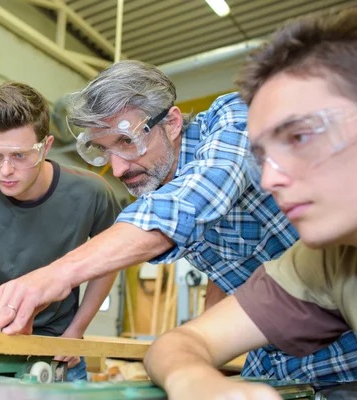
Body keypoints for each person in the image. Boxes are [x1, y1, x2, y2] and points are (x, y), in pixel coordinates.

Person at [0, 59, 357, 384]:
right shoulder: (155, 181)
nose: (118, 168)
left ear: (171, 122)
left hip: (342, 361)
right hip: (277, 365)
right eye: (103, 151)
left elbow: (195, 199)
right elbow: (227, 267)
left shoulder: (232, 120)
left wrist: (54, 276)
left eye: (127, 142)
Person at [144, 9, 357, 400]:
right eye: (263, 157)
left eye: (299, 137)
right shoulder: (325, 261)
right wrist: (193, 381)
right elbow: (181, 343)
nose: (270, 178)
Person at [0, 82, 121, 381]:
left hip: (58, 347)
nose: (5, 170)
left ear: (46, 147)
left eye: (19, 156)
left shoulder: (92, 194)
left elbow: (110, 261)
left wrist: (76, 331)